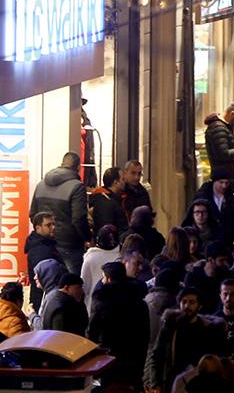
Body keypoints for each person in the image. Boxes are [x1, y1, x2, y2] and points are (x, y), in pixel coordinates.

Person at [88, 261, 150, 389]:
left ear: (109, 279)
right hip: (135, 357)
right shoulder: (139, 300)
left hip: (110, 357)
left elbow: (93, 330)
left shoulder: (103, 301)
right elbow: (145, 334)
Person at [30, 151, 89, 274]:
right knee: (71, 284)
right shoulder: (77, 187)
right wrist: (87, 238)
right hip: (70, 244)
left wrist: (44, 233)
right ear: (78, 167)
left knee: (46, 281)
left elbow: (33, 214)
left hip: (44, 244)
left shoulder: (41, 184)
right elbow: (78, 218)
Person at [79, 225, 121, 314]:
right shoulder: (122, 257)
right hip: (117, 306)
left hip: (94, 306)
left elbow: (84, 286)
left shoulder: (90, 258)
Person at [205, 101, 234, 181]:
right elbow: (223, 154)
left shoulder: (225, 127)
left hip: (228, 174)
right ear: (232, 114)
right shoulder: (218, 128)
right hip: (223, 177)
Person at [90, 166, 129, 236]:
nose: (125, 181)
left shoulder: (113, 198)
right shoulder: (105, 202)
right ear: (116, 182)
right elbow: (107, 227)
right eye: (122, 179)